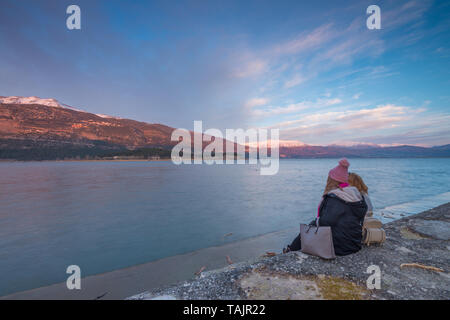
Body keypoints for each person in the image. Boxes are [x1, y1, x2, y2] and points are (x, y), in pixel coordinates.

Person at [283, 158, 368, 256]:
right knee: (313, 224)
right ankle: (291, 249)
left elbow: (325, 222)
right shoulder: (356, 195)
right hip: (354, 244)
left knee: (309, 228)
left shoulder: (335, 198)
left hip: (339, 248)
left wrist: (314, 222)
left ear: (332, 180)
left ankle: (290, 250)